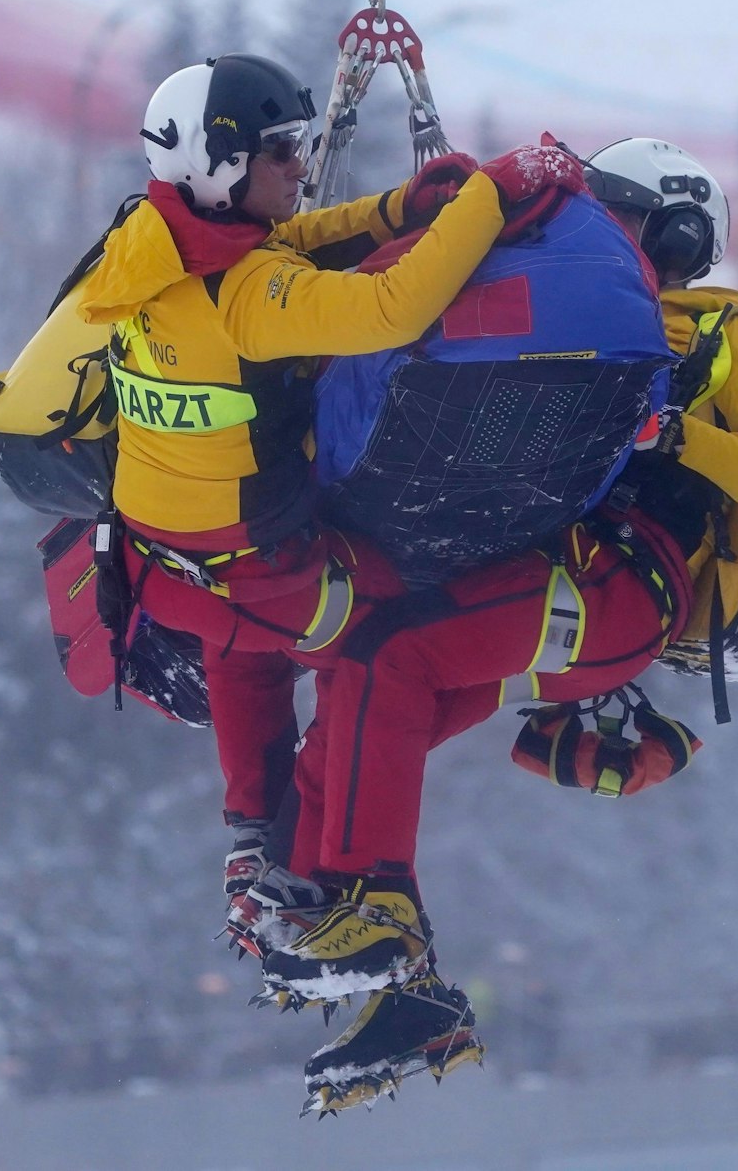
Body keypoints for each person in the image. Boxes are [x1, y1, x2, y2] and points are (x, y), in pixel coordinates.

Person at [247, 139, 738, 1107]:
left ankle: (376, 904)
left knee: (393, 655)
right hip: (547, 566)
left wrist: (672, 431)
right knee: (359, 692)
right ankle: (373, 962)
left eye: (624, 224)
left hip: (625, 579)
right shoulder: (552, 280)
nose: (599, 240)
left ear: (670, 234)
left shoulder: (715, 331)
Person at [72, 54, 587, 932]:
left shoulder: (144, 248)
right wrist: (490, 198)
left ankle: (253, 837)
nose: (300, 167)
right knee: (399, 643)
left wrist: (396, 210)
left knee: (247, 641)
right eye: (279, 152)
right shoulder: (249, 298)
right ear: (222, 162)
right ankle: (343, 873)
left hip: (164, 571)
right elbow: (393, 308)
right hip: (264, 578)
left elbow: (288, 246)